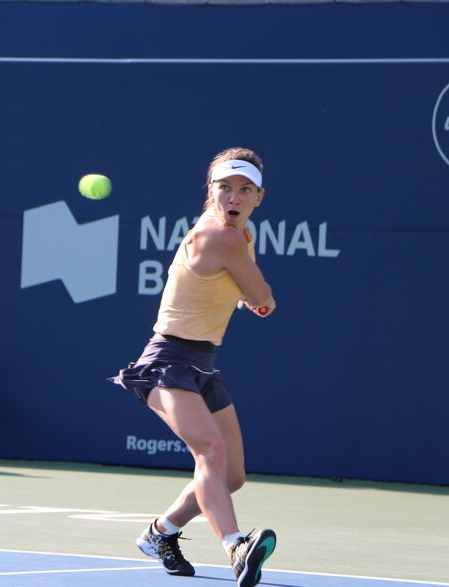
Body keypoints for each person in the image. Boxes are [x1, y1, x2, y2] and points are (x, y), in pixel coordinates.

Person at [110, 147, 277, 586]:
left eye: (244, 190)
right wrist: (258, 298)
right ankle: (236, 547)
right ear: (211, 192)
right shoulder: (224, 237)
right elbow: (261, 296)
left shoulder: (236, 234)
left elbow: (239, 289)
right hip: (167, 361)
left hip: (202, 364)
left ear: (259, 196)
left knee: (232, 475)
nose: (234, 198)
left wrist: (245, 293)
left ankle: (160, 532)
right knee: (210, 452)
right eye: (225, 188)